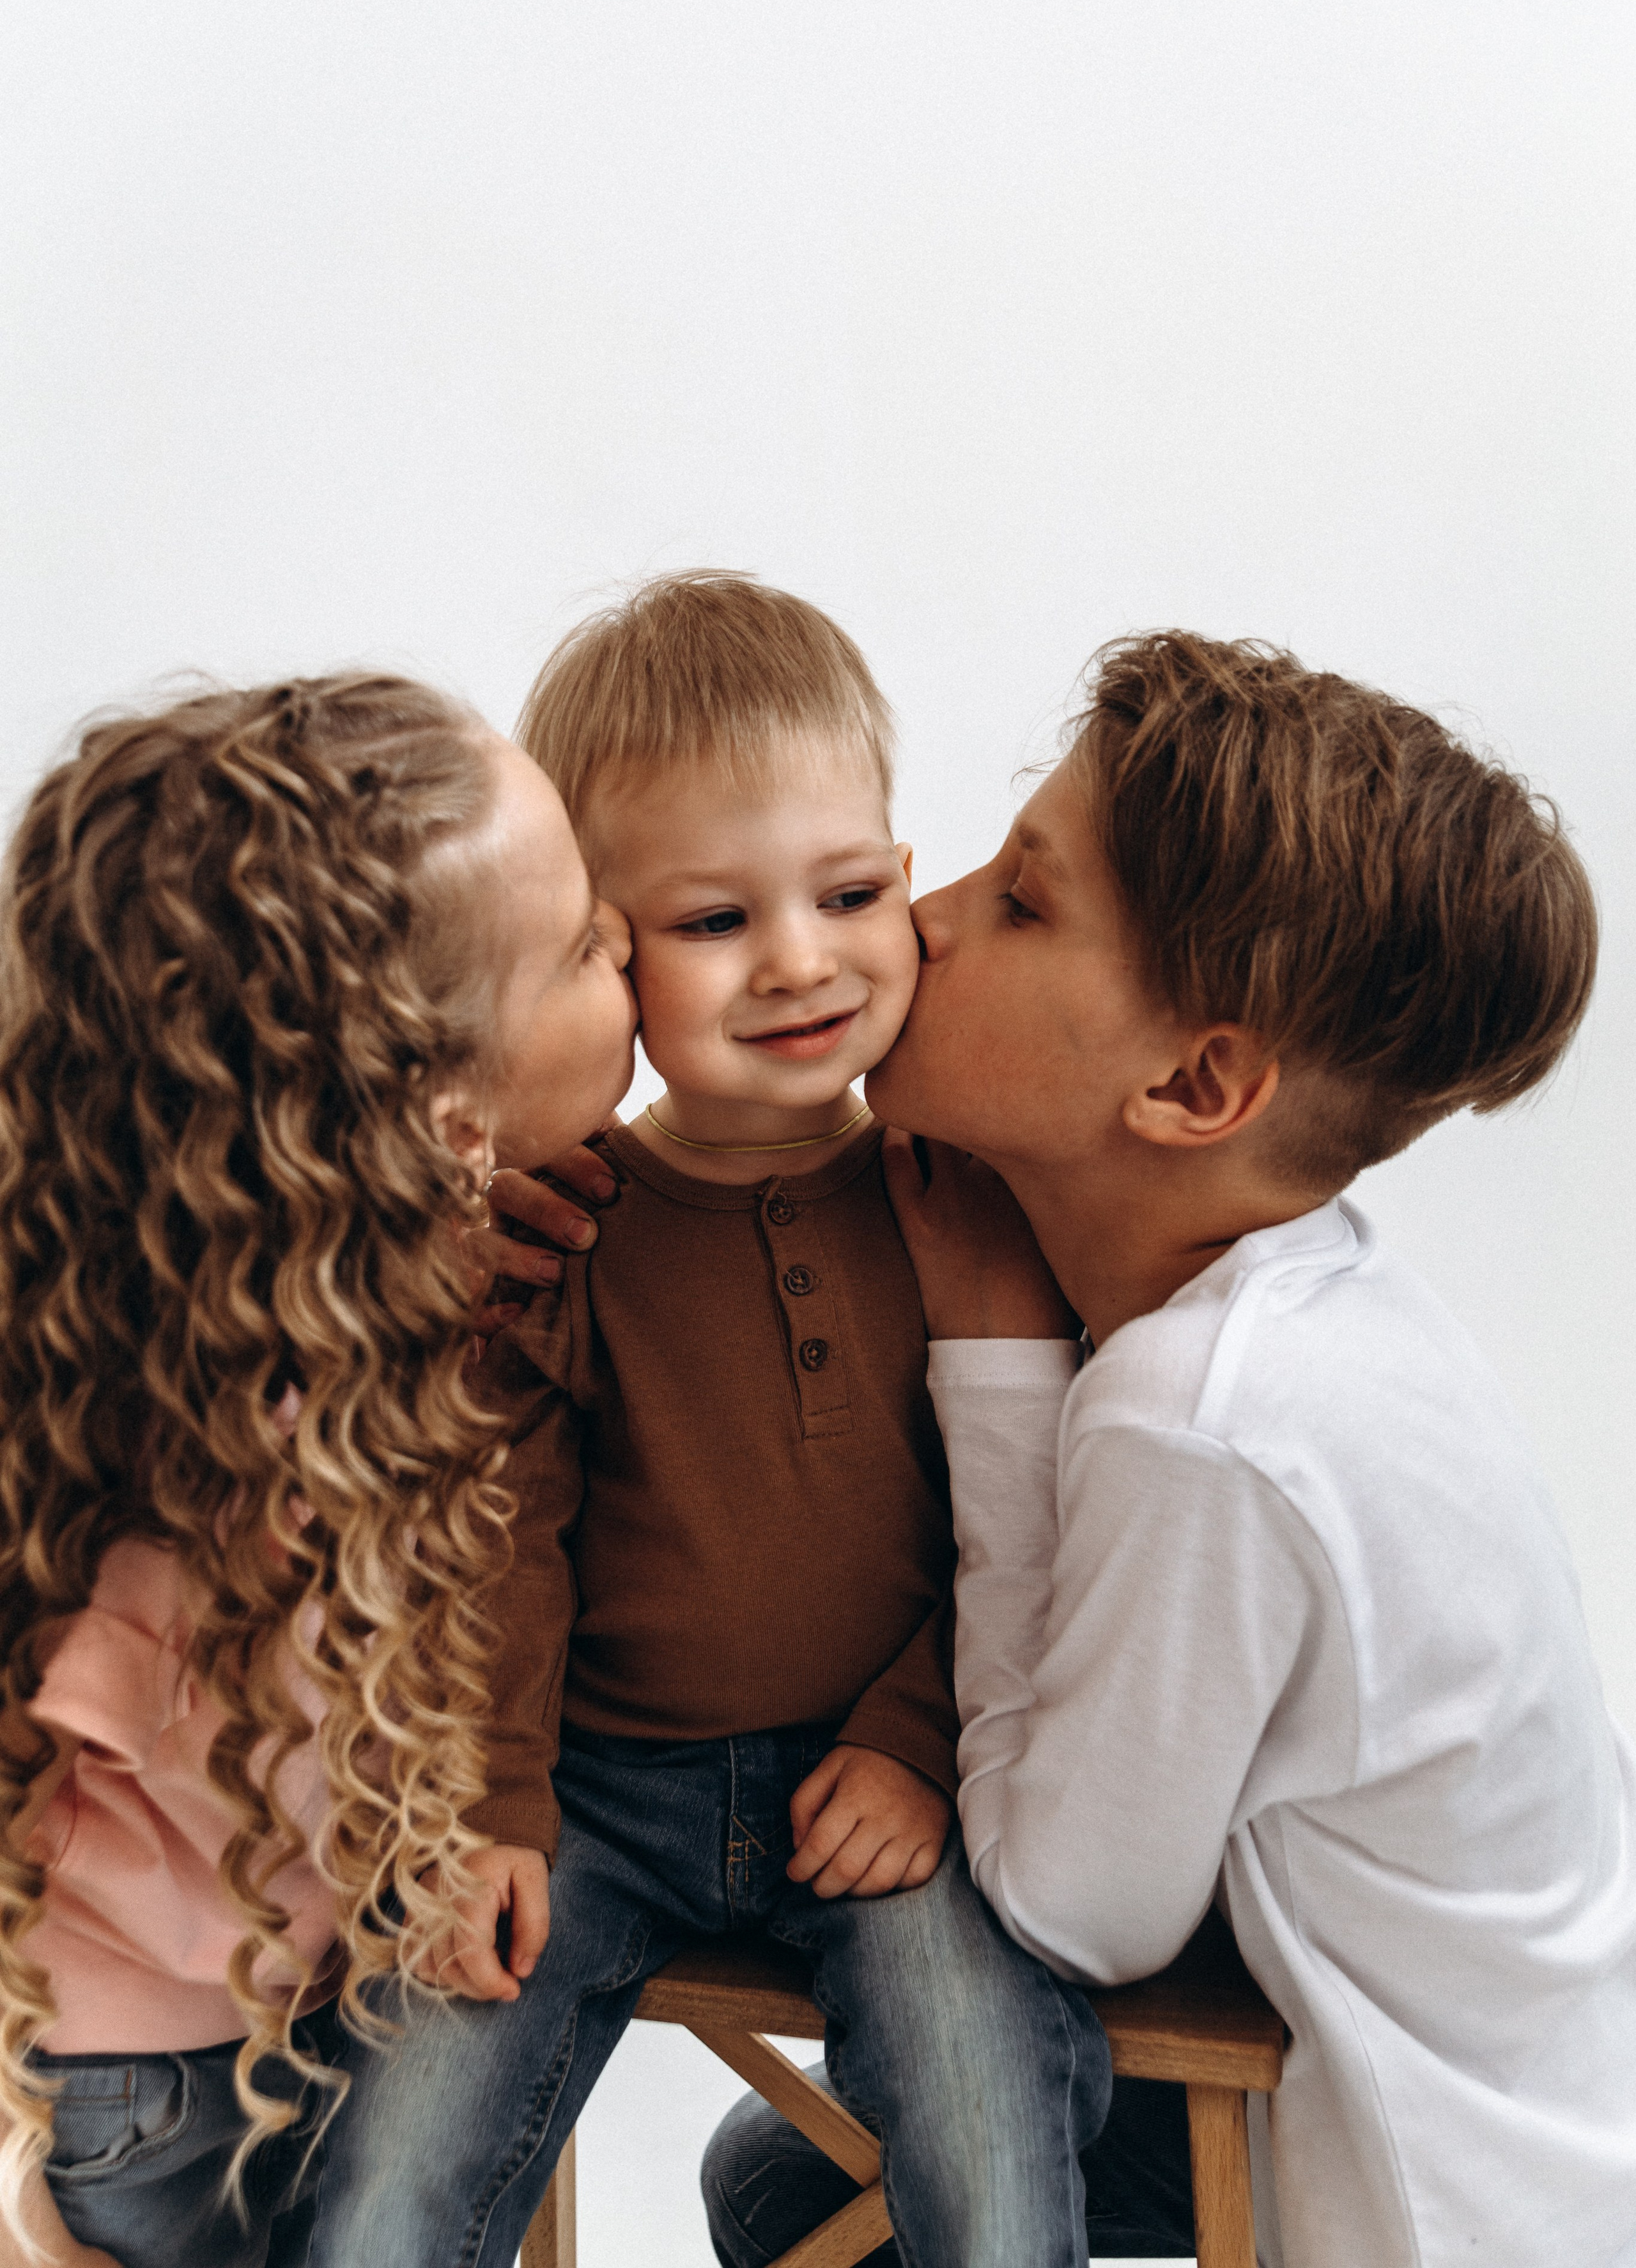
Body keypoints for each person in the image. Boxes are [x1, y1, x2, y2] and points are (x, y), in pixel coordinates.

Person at [701, 631, 1636, 2267]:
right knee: (767, 2174)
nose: (924, 918)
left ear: (1195, 1086)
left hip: (1449, 2201)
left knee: (788, 2188)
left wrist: (995, 1360)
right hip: (1548, 2096)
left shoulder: (1205, 1419)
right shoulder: (1318, 1310)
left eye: (1020, 904)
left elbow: (1073, 1910)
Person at [303, 574, 1111, 2268]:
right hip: (600, 1791)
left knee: (988, 2122)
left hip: (886, 1783)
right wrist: (500, 1806)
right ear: (599, 952)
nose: (802, 962)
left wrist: (914, 1736)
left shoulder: (964, 1198)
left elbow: (1041, 1516)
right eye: (714, 923)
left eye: (848, 891)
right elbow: (505, 1543)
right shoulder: (563, 1227)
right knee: (390, 2161)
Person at [0, 674, 637, 2268]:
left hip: (199, 2038)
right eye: (579, 948)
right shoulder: (257, 1483)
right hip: (182, 2084)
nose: (625, 942)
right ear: (441, 1122)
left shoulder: (224, 1325)